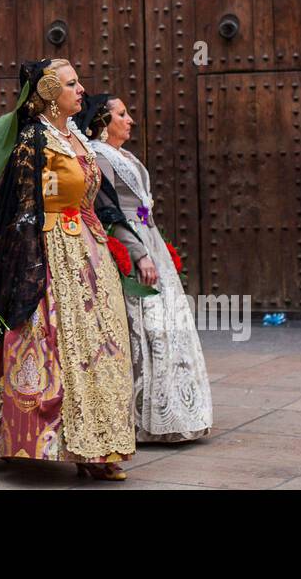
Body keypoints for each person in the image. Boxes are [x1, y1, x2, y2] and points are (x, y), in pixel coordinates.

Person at [0, 59, 136, 480]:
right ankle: (30, 439)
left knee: (100, 346)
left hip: (88, 252)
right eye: (71, 84)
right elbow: (22, 204)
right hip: (48, 250)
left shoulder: (77, 138)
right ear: (48, 92)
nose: (81, 90)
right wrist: (28, 260)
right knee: (50, 342)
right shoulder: (34, 139)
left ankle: (101, 444)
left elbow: (92, 199)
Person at [78, 94, 213, 443]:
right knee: (144, 322)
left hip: (147, 238)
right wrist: (138, 251)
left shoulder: (126, 157)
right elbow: (108, 210)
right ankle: (140, 414)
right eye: (122, 114)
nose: (130, 120)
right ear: (103, 122)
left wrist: (155, 238)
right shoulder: (99, 156)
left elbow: (140, 207)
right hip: (131, 243)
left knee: (167, 323)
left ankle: (175, 407)